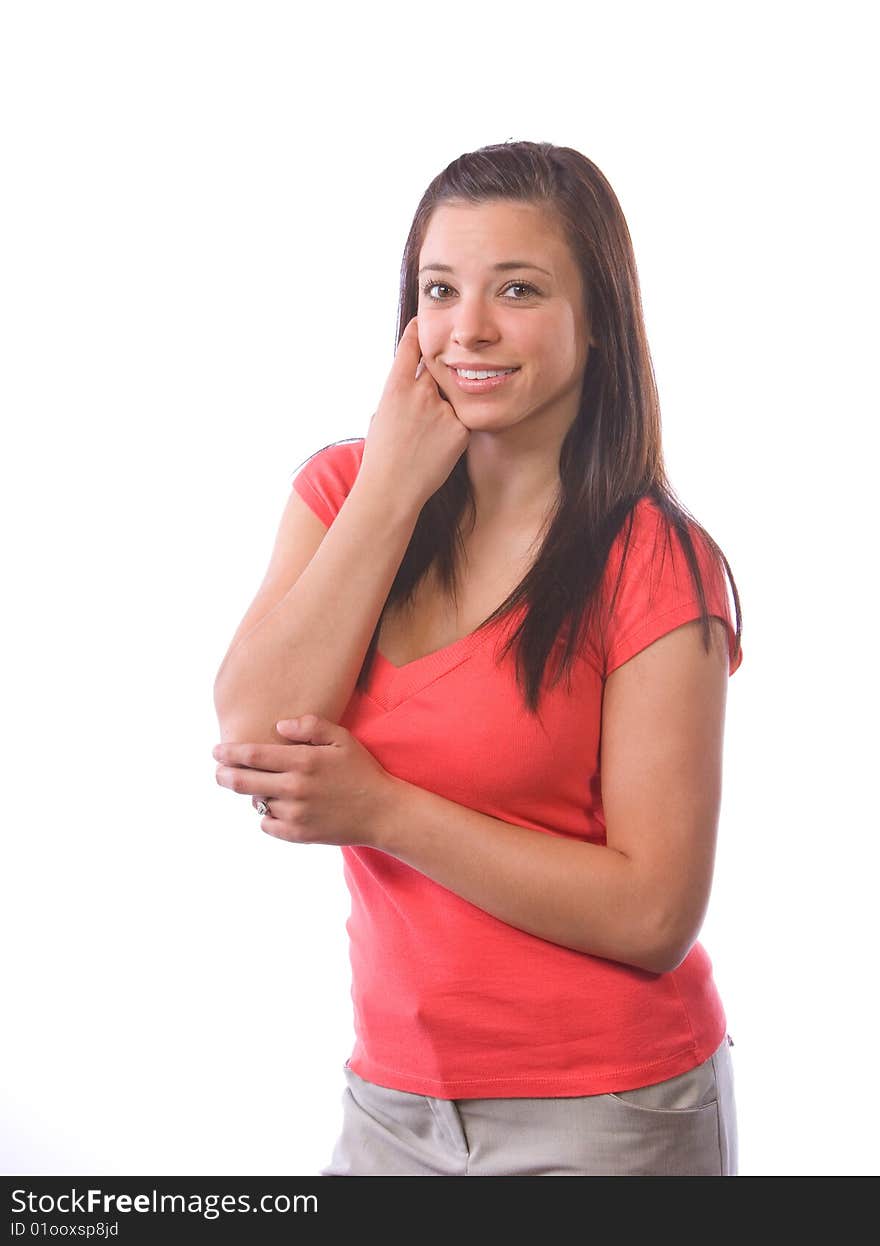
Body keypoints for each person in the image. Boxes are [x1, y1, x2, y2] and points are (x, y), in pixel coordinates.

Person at [212, 140, 744, 1177]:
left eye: (519, 288)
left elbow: (652, 915)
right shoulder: (343, 494)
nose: (471, 328)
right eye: (439, 289)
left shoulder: (653, 562)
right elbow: (250, 733)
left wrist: (385, 811)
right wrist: (395, 484)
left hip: (612, 1112)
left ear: (599, 326)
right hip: (390, 1103)